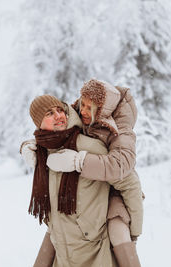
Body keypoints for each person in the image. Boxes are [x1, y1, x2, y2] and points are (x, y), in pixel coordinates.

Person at [46, 79, 143, 267]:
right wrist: (31, 146)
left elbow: (120, 166)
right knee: (56, 226)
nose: (82, 111)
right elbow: (53, 126)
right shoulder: (80, 113)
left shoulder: (121, 129)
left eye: (89, 108)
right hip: (91, 187)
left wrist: (78, 161)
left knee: (118, 230)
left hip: (117, 190)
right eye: (82, 104)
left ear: (102, 110)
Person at [21, 94, 117, 266]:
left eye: (60, 110)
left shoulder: (90, 146)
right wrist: (24, 147)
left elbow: (125, 179)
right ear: (39, 123)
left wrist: (131, 231)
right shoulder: (43, 154)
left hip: (94, 255)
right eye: (49, 113)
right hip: (63, 255)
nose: (58, 116)